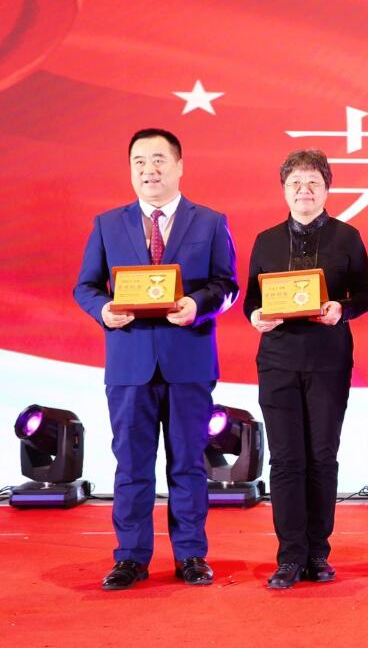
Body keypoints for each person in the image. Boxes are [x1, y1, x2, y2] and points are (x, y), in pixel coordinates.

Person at [74, 128, 239, 590]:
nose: (150, 170)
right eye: (140, 161)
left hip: (188, 361)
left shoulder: (210, 222)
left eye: (159, 160)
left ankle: (191, 555)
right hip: (129, 365)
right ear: (130, 169)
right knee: (131, 465)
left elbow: (228, 285)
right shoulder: (108, 224)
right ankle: (130, 557)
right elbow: (86, 286)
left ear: (179, 166)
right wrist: (104, 310)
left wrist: (198, 305)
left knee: (188, 463)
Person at [245, 149, 368, 589]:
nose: (304, 191)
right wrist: (255, 316)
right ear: (284, 190)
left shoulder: (347, 236)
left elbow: (365, 296)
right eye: (295, 183)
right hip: (277, 361)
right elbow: (251, 299)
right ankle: (289, 556)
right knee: (285, 460)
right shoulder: (266, 240)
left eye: (313, 183)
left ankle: (318, 552)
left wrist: (342, 308)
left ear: (327, 188)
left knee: (321, 456)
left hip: (328, 361)